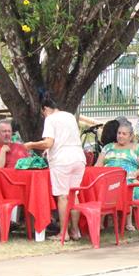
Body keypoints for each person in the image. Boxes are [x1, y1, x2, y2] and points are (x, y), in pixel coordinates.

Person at [23, 93, 86, 241]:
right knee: (73, 194)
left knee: (63, 196)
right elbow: (65, 139)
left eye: (43, 113)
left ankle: (63, 234)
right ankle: (75, 231)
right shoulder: (69, 116)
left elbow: (48, 143)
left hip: (62, 160)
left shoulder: (50, 119)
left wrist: (31, 144)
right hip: (78, 157)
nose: (44, 116)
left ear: (45, 109)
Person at [95, 120, 139, 230]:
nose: (120, 136)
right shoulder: (108, 147)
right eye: (119, 133)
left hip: (128, 178)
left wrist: (134, 174)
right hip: (108, 178)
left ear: (131, 136)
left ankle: (128, 221)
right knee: (102, 187)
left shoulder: (137, 148)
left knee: (127, 187)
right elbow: (98, 165)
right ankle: (100, 221)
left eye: (124, 134)